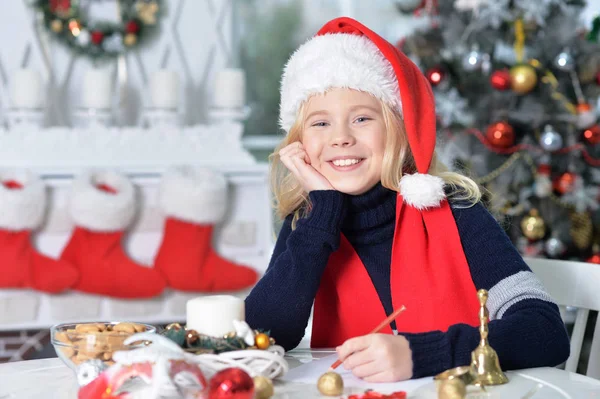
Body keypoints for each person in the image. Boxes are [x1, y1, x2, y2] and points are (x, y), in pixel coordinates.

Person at [245, 17, 570, 382]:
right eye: (320, 124)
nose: (341, 138)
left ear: (399, 130)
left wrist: (425, 354)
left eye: (363, 118)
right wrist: (323, 210)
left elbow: (545, 331)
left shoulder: (455, 210)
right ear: (299, 142)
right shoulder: (310, 223)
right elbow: (265, 334)